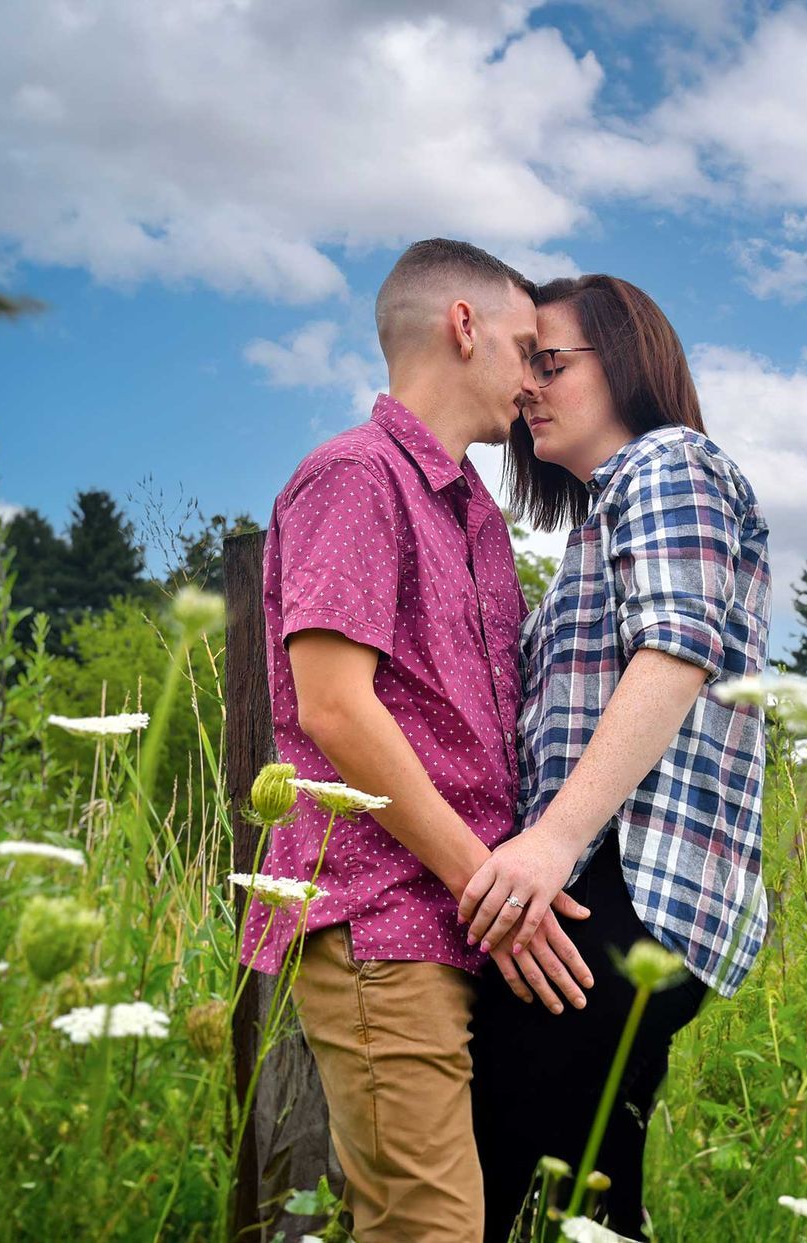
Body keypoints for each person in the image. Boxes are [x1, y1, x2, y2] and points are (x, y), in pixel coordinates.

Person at [241, 239, 596, 1241]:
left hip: (453, 928)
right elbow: (336, 708)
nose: (535, 380)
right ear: (464, 326)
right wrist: (488, 883)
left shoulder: (475, 514)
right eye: (528, 348)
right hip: (386, 917)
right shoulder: (357, 478)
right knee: (429, 1228)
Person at [462, 274, 772, 1238]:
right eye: (524, 368)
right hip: (617, 886)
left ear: (627, 361)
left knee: (482, 1181)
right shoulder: (598, 520)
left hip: (621, 884)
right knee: (584, 1199)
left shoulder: (667, 462)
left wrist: (550, 844)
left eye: (548, 362)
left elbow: (676, 651)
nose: (528, 390)